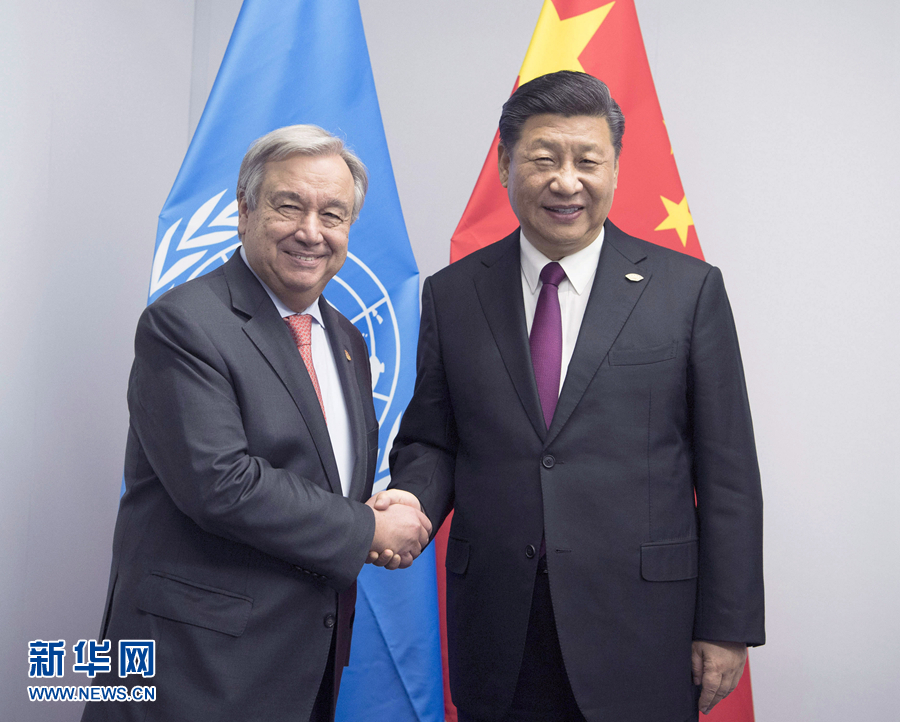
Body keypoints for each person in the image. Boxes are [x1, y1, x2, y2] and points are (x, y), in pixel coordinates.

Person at [374, 71, 764, 722]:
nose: (566, 181)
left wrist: (728, 625)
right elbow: (434, 440)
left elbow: (728, 473)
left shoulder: (687, 291)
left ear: (614, 168)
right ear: (506, 165)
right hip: (499, 629)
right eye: (544, 159)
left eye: (588, 160)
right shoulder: (453, 294)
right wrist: (412, 501)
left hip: (644, 630)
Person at [82, 124, 431, 722]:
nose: (311, 232)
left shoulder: (347, 339)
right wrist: (368, 529)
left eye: (333, 214)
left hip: (301, 670)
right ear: (244, 212)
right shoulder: (184, 324)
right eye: (288, 206)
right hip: (192, 674)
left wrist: (371, 507)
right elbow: (221, 483)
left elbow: (314, 481)